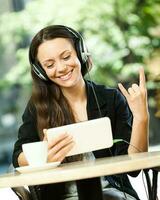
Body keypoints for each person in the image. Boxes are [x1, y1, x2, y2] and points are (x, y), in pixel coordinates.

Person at [12, 25, 149, 200]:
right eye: (50, 64)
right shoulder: (38, 107)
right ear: (41, 71)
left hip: (112, 194)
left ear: (81, 53)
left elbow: (134, 167)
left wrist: (141, 118)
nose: (61, 68)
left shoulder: (110, 98)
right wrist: (42, 155)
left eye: (66, 57)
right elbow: (18, 157)